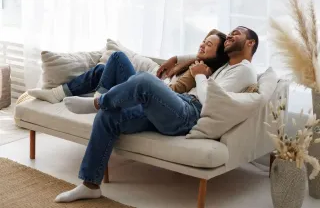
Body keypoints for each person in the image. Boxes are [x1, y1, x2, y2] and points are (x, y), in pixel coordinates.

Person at [34, 26, 259, 203]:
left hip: (189, 112)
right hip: (176, 107)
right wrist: (178, 58)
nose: (229, 36)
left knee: (144, 81)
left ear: (250, 43)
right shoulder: (226, 64)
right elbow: (205, 55)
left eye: (235, 34)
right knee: (109, 117)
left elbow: (210, 103)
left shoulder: (244, 70)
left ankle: (98, 100)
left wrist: (200, 76)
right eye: (228, 34)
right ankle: (90, 185)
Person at [27, 29, 229, 105]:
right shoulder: (194, 61)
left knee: (117, 57)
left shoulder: (199, 70)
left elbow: (175, 91)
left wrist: (155, 83)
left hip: (148, 93)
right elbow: (191, 56)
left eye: (208, 45)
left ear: (217, 55)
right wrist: (175, 58)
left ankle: (101, 100)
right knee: (100, 70)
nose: (202, 45)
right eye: (203, 41)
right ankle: (56, 94)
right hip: (148, 86)